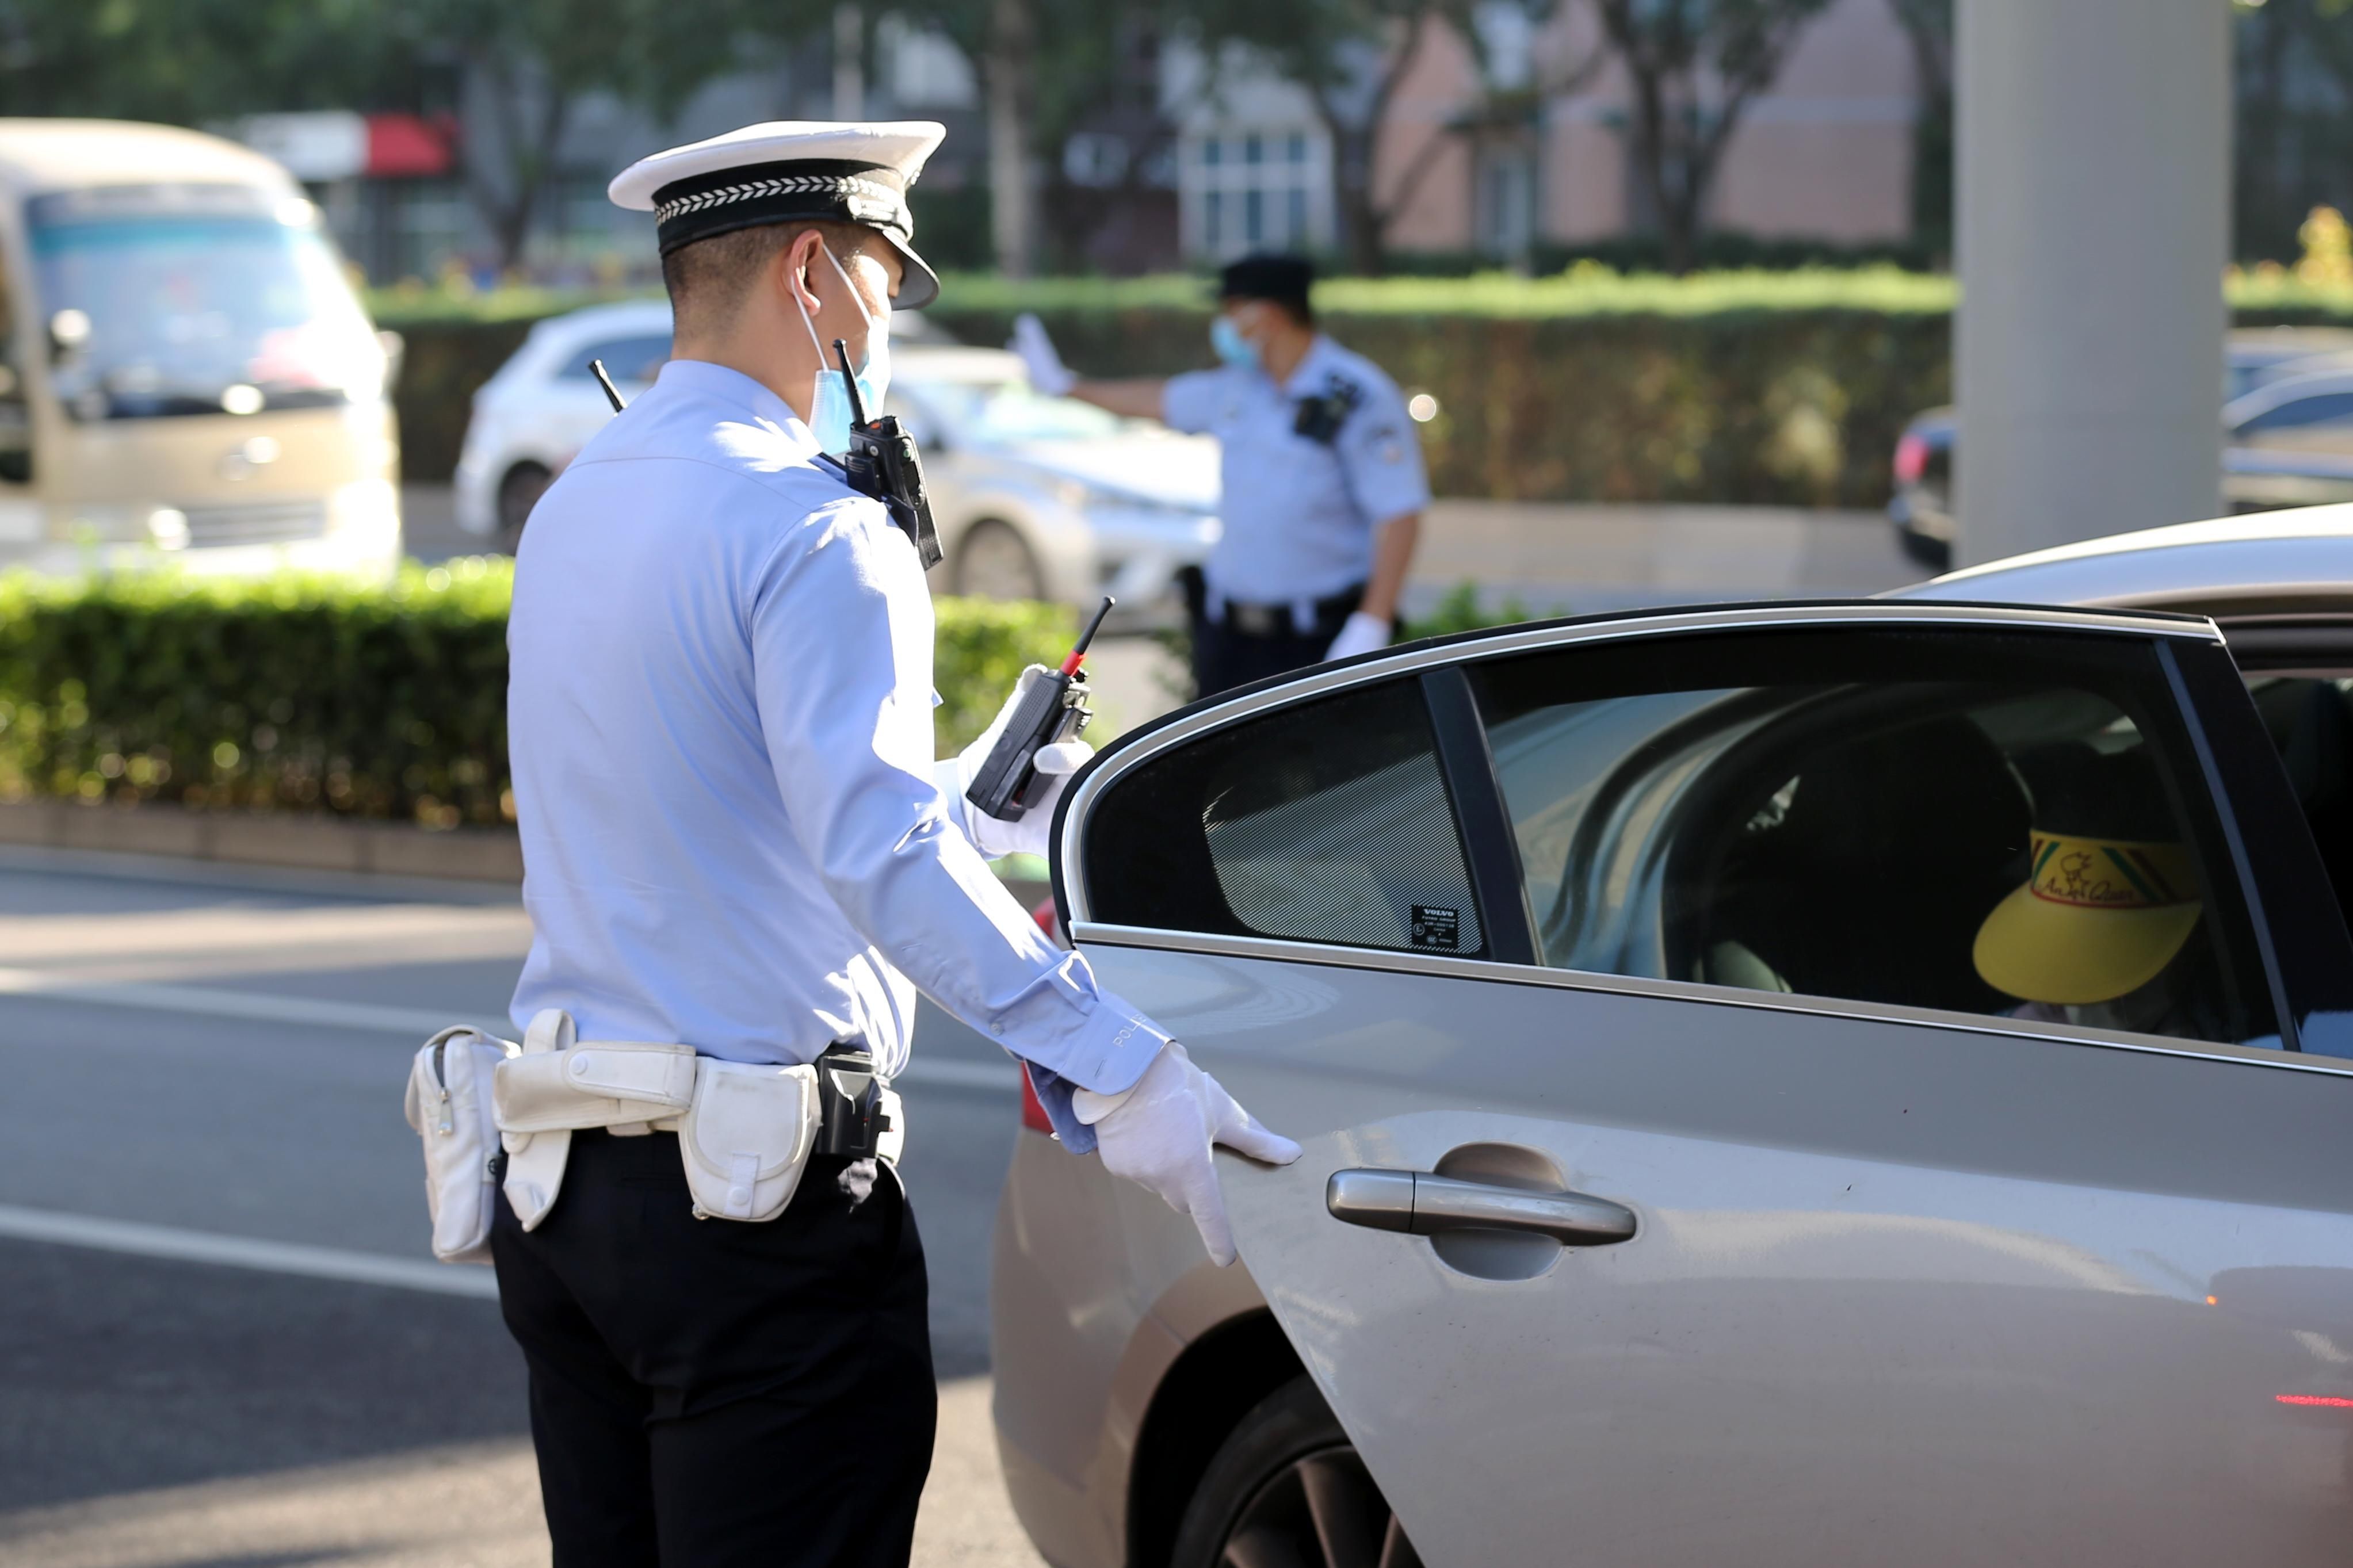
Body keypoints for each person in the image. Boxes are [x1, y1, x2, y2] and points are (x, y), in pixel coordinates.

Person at [490, 120, 1299, 1568]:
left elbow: (710, 804)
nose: (888, 326)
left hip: (565, 1202)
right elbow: (875, 853)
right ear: (812, 272)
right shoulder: (816, 528)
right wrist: (1118, 1061)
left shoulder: (573, 505)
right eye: (882, 278)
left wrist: (956, 798)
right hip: (754, 1220)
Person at [1011, 253, 1430, 697]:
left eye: (1230, 313)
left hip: (1315, 639)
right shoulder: (1241, 385)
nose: (1223, 326)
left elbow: (1401, 514)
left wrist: (1371, 623)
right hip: (1229, 639)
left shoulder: (1356, 395)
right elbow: (1157, 398)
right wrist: (1065, 386)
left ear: (1266, 316)